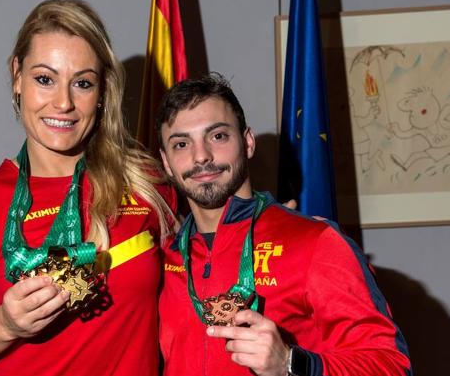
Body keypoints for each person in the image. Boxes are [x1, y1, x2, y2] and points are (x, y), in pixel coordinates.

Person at [0, 0, 176, 376]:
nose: (63, 103)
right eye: (45, 79)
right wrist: (5, 325)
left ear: (103, 90)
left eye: (82, 83)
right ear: (17, 76)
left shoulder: (147, 182)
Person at [156, 73, 412, 376]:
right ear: (167, 163)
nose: (201, 156)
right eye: (182, 144)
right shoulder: (164, 257)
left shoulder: (315, 241)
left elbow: (391, 366)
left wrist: (291, 363)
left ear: (248, 142)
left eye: (218, 136)